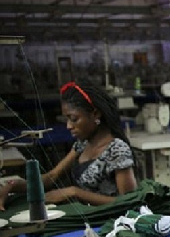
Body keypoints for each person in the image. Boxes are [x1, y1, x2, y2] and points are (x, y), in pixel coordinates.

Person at [0, 79, 137, 209]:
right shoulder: (82, 145)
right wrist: (13, 185)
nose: (68, 126)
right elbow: (51, 178)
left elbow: (129, 202)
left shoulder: (117, 150)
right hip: (89, 219)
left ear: (95, 114)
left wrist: (74, 192)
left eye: (74, 119)